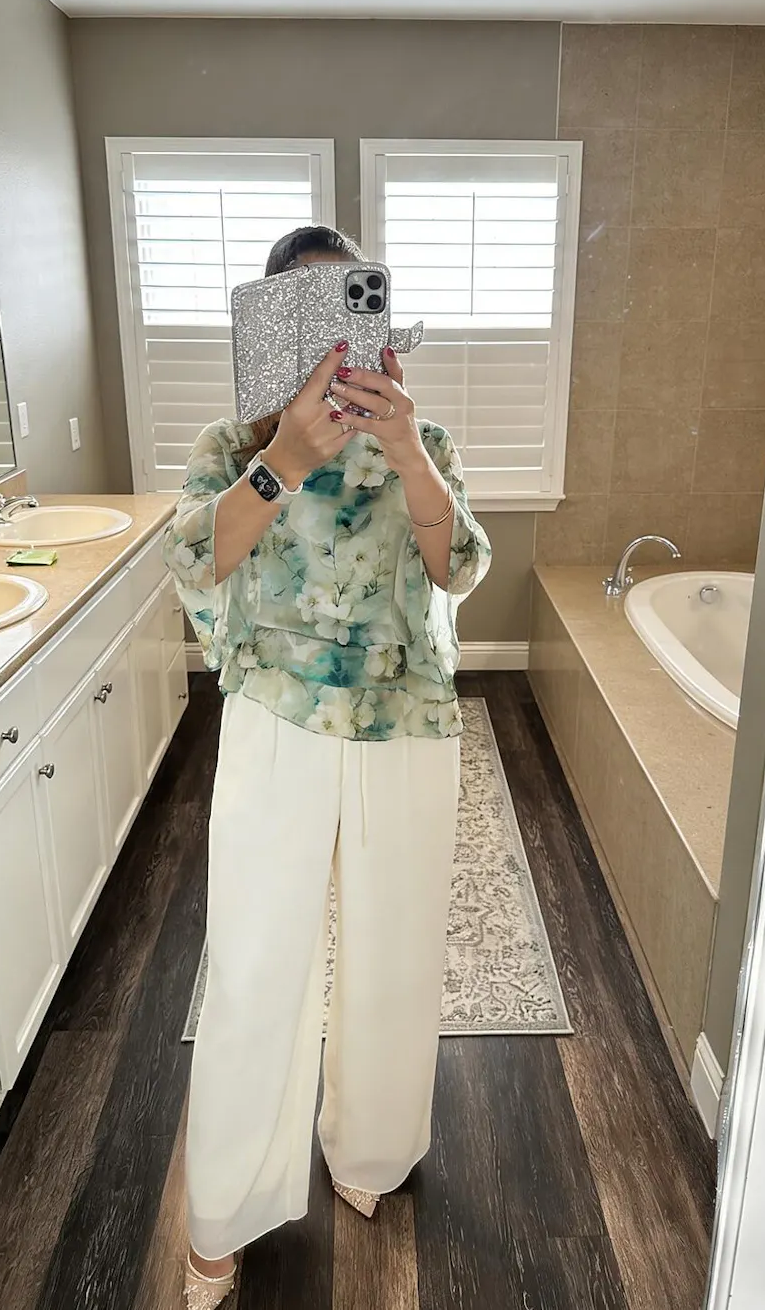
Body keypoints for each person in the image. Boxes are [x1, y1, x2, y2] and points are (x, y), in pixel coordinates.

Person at [162, 225, 492, 1308]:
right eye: (301, 314)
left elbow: (457, 566)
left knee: (396, 954)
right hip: (279, 718)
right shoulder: (233, 443)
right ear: (270, 328)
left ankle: (372, 1149)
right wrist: (290, 458)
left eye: (346, 304)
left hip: (405, 720)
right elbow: (194, 556)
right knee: (254, 967)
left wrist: (406, 449)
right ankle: (224, 1209)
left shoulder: (421, 435)